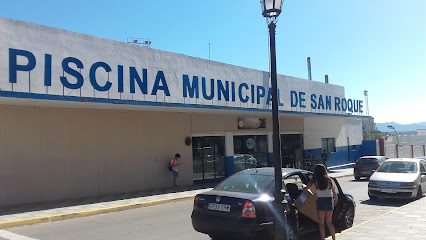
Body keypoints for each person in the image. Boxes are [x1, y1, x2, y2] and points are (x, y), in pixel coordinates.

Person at [307, 164, 338, 240]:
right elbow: (333, 192)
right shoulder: (329, 180)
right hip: (329, 200)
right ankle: (334, 238)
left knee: (321, 224)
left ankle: (323, 239)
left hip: (321, 201)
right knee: (329, 222)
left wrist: (304, 187)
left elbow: (306, 189)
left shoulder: (314, 180)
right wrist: (335, 200)